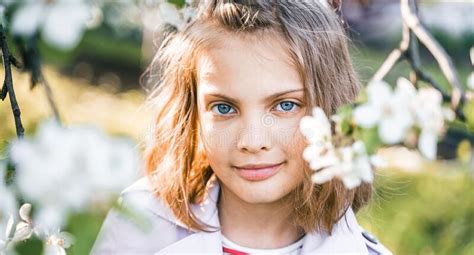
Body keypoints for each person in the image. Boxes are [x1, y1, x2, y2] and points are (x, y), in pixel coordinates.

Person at [91, 0, 392, 254]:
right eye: (224, 108)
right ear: (192, 112)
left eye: (285, 105)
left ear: (332, 110)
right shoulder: (138, 225)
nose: (252, 140)